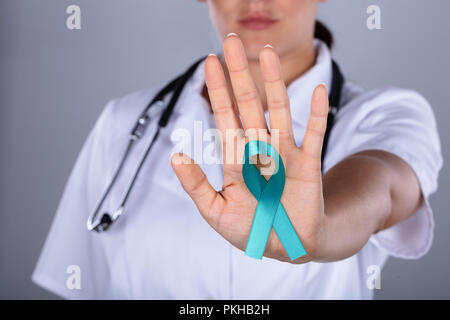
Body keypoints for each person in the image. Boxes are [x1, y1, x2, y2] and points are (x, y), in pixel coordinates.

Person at [32, 0, 442, 299]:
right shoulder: (125, 122)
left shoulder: (387, 115)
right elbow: (80, 282)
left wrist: (316, 232)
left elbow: (384, 187)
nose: (256, 0)